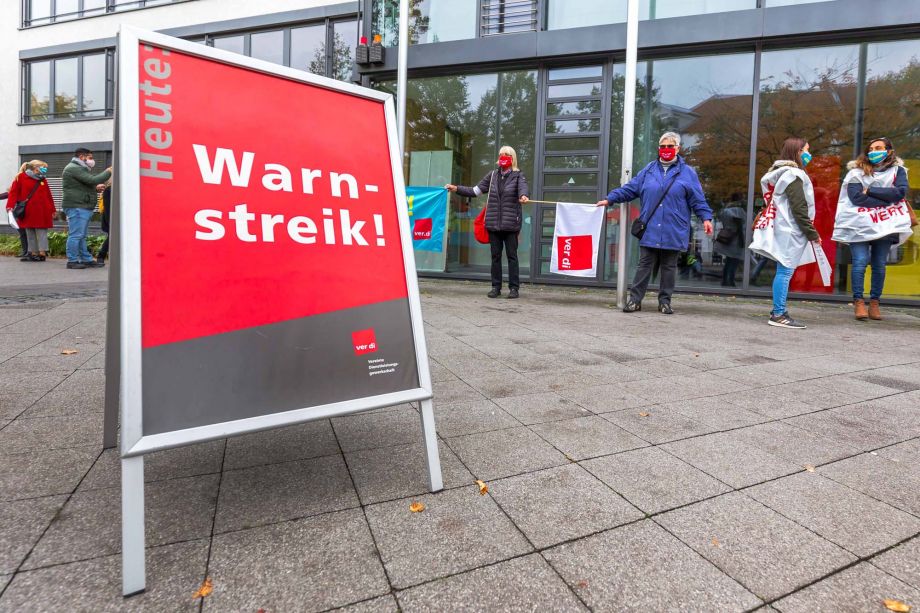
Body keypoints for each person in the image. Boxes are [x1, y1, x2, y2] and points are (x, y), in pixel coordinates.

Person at [597, 131, 713, 314]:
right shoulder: (649, 170)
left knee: (669, 267)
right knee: (644, 265)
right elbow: (630, 189)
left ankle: (665, 302)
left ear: (677, 148)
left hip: (674, 228)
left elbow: (698, 200)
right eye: (663, 146)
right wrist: (610, 199)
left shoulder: (687, 173)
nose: (666, 150)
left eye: (670, 146)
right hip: (650, 227)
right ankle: (635, 300)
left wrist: (706, 218)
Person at [834, 137, 910, 321]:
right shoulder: (855, 173)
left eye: (878, 148)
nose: (873, 151)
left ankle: (874, 302)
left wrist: (870, 191)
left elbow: (900, 193)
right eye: (871, 148)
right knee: (860, 262)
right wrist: (886, 200)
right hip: (859, 226)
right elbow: (856, 199)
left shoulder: (899, 171)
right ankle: (859, 302)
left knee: (879, 265)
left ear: (889, 151)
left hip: (885, 225)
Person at [750, 137, 820, 329]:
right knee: (785, 271)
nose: (808, 154)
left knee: (783, 270)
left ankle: (778, 311)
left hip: (781, 227)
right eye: (806, 150)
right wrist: (812, 233)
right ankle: (778, 313)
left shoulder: (778, 174)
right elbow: (798, 208)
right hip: (790, 230)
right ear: (797, 152)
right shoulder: (793, 174)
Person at [446, 146, 530, 299]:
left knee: (512, 256)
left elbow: (523, 189)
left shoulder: (518, 176)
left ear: (512, 158)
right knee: (495, 257)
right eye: (501, 154)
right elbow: (475, 191)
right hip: (493, 225)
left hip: (511, 225)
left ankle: (514, 288)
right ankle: (495, 287)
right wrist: (456, 188)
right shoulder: (491, 176)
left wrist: (524, 196)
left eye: (506, 154)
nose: (503, 156)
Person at [62, 147, 111, 269]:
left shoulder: (79, 168)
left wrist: (94, 188)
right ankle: (72, 260)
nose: (92, 160)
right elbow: (93, 179)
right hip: (77, 206)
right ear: (82, 157)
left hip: (82, 206)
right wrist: (109, 171)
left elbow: (81, 186)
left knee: (81, 235)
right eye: (90, 157)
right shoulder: (74, 168)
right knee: (76, 235)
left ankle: (86, 259)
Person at [6, 160, 55, 262]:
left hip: (43, 209)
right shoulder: (21, 177)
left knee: (42, 230)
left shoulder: (42, 179)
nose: (45, 169)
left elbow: (48, 195)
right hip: (28, 209)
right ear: (35, 167)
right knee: (29, 231)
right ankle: (33, 253)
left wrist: (52, 209)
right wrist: (9, 206)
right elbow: (13, 193)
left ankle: (42, 253)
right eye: (43, 167)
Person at [713, 196, 747, 287]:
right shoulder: (737, 211)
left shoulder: (725, 210)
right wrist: (742, 240)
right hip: (735, 238)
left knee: (729, 261)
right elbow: (739, 225)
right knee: (734, 261)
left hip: (729, 237)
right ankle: (730, 281)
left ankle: (725, 280)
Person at [96, 181, 112, 265]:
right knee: (112, 236)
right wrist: (111, 222)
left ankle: (101, 256)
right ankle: (101, 256)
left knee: (111, 237)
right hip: (111, 218)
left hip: (119, 217)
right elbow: (108, 209)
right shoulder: (109, 190)